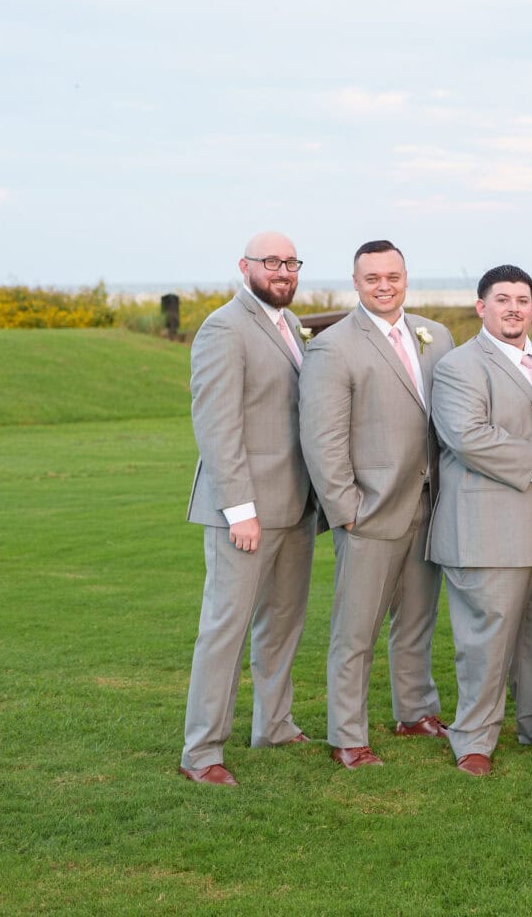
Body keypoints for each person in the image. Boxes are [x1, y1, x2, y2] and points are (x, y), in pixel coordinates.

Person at [299, 240, 455, 768]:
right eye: (373, 278)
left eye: (393, 275)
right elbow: (322, 440)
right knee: (356, 631)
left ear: (406, 277)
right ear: (356, 281)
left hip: (430, 506)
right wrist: (347, 510)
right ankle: (348, 737)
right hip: (369, 512)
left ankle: (414, 711)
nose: (384, 285)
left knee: (417, 620)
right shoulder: (333, 346)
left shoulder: (437, 337)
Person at [180, 231, 317, 786]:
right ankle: (202, 752)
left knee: (282, 625)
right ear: (245, 266)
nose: (282, 271)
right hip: (247, 514)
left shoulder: (290, 327)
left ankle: (274, 724)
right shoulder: (223, 328)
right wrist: (240, 509)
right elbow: (217, 427)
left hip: (296, 506)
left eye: (291, 262)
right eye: (271, 262)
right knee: (225, 631)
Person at [428, 265, 532, 777]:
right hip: (487, 528)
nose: (513, 307)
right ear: (481, 307)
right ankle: (473, 740)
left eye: (523, 299)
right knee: (485, 642)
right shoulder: (459, 366)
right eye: (502, 298)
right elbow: (467, 436)